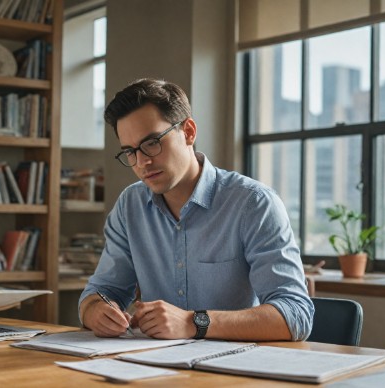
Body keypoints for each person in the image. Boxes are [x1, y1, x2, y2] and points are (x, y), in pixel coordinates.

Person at [79, 78, 314, 341]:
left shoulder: (254, 204)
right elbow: (101, 291)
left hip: (236, 372)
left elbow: (296, 314)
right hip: (155, 369)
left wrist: (195, 322)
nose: (142, 161)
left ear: (189, 132)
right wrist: (96, 310)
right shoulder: (129, 206)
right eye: (130, 152)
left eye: (152, 142)